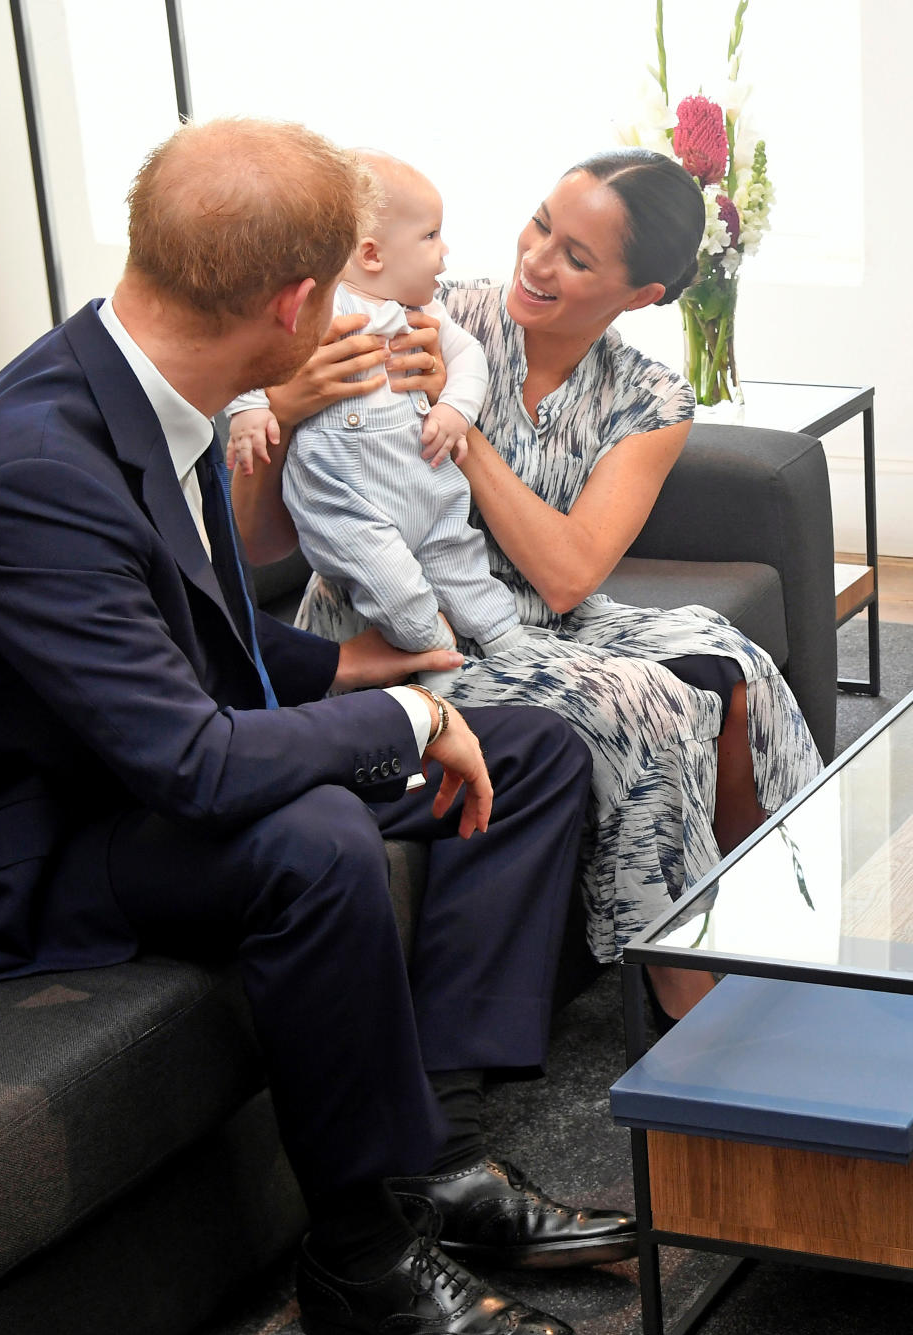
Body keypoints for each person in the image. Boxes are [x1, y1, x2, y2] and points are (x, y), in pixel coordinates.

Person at [0, 118, 643, 1335]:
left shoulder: (162, 387)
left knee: (528, 744)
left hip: (146, 757)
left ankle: (423, 1154)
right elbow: (195, 760)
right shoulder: (32, 468)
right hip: (54, 844)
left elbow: (193, 642)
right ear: (295, 303)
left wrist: (373, 670)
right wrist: (403, 714)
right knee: (318, 832)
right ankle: (358, 1259)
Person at [234, 148, 823, 1025]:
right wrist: (278, 409)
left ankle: (794, 930)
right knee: (640, 703)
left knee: (733, 660)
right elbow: (263, 535)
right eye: (543, 223)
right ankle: (688, 999)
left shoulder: (649, 397)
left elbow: (567, 571)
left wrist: (462, 432)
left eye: (577, 256)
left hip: (541, 609)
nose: (537, 259)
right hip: (405, 620)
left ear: (639, 297)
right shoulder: (425, 312)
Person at [226, 150, 526, 684]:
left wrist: (456, 408)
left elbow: (469, 359)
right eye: (431, 236)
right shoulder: (315, 306)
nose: (445, 251)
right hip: (343, 497)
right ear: (371, 253)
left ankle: (507, 639)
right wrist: (252, 411)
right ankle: (433, 651)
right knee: (393, 584)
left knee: (459, 558)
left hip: (421, 477)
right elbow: (254, 357)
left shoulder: (423, 313)